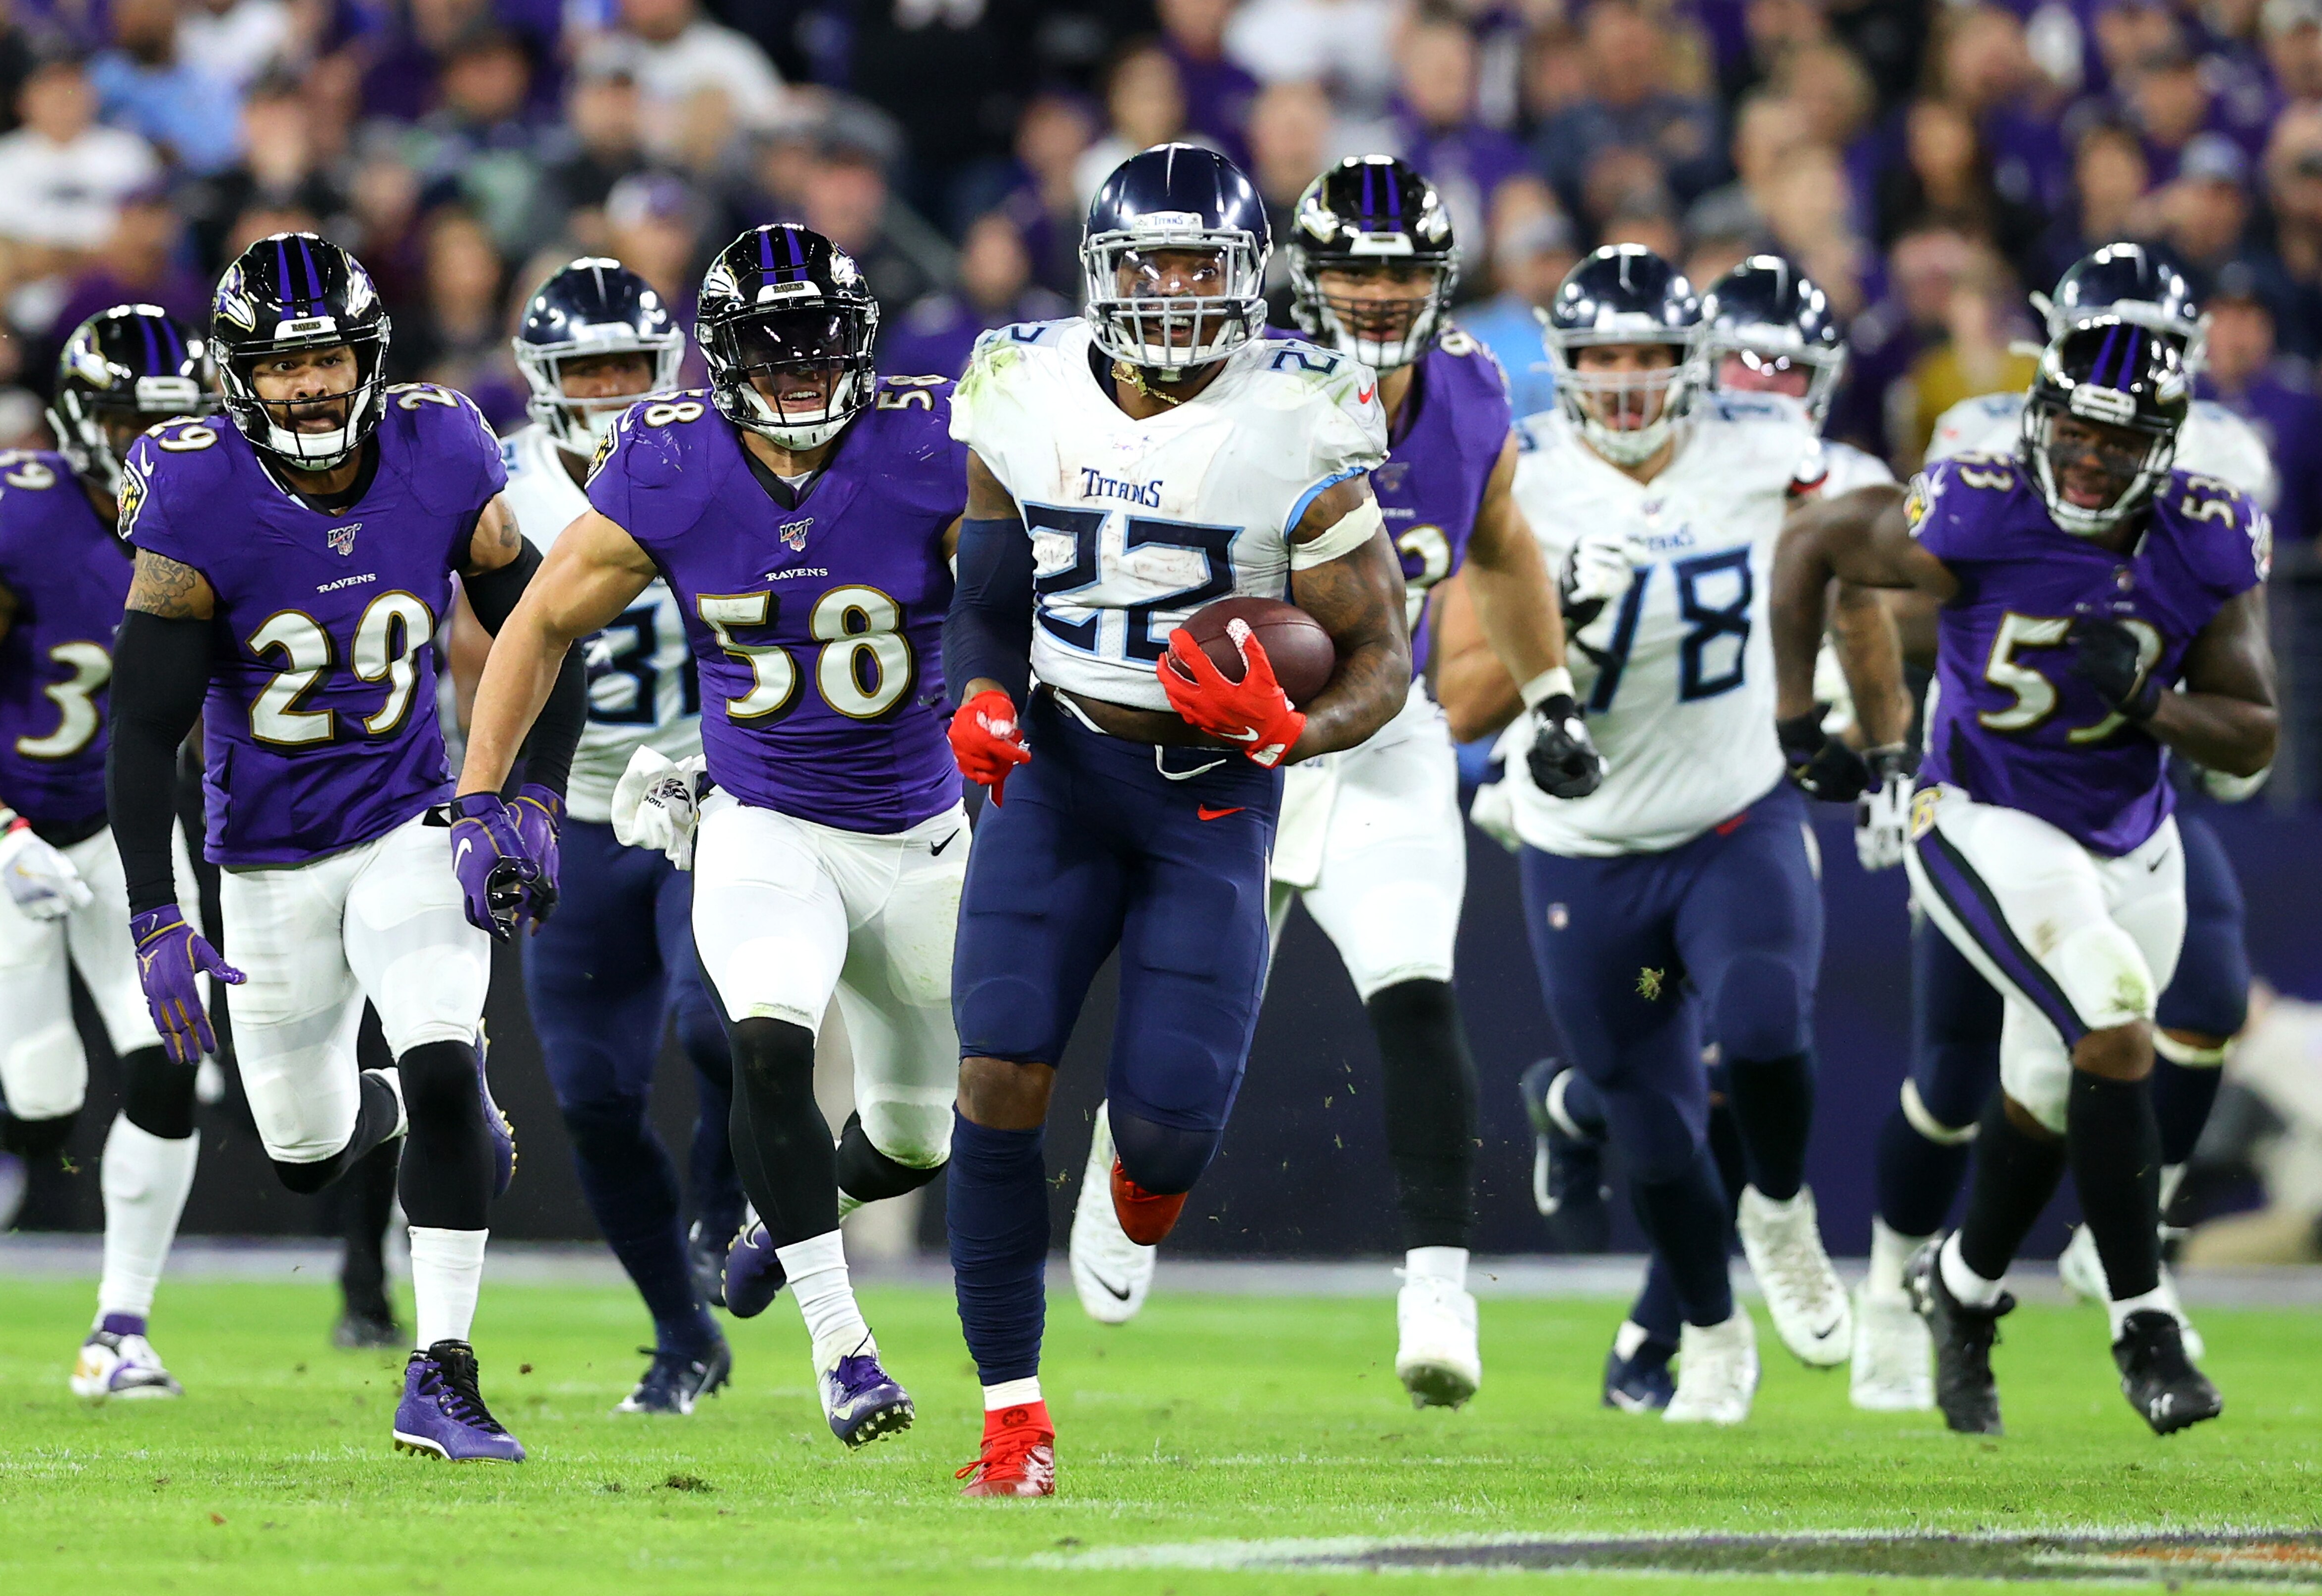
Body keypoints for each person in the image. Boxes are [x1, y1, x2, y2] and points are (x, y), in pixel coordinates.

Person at [941, 144, 1579, 1494]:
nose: (1172, 293)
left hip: (1211, 794)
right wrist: (982, 697)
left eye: (1199, 266)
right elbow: (989, 594)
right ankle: (1010, 1415)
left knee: (1167, 1123)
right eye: (1148, 265)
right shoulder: (1022, 380)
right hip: (1057, 772)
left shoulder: (1302, 408)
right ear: (1100, 275)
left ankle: (1144, 1188)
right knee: (997, 1074)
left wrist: (1301, 731)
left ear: (1247, 282)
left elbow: (1382, 657)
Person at [453, 225, 968, 1451]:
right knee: (756, 1038)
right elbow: (531, 626)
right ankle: (841, 1350)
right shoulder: (667, 460)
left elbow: (1026, 590)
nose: (796, 372)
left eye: (818, 345)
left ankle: (781, 1219)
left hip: (920, 825)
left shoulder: (935, 438)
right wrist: (484, 795)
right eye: (767, 349)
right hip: (754, 812)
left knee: (914, 1134)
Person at [103, 233, 574, 1464]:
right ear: (235, 377)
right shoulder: (195, 491)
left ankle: (445, 1369)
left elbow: (542, 633)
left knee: (439, 1052)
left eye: (323, 358)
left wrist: (524, 796)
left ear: (366, 356)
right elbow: (144, 729)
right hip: (262, 857)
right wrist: (157, 909)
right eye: (280, 364)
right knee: (302, 1150)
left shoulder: (443, 449)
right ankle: (445, 1124)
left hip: (409, 819)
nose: (308, 385)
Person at [1770, 317, 2273, 1436]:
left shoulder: (2204, 530)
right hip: (1982, 813)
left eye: (2120, 439)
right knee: (2113, 1015)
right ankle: (2143, 1318)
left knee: (2048, 1094)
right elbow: (1810, 543)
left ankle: (1959, 1288)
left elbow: (2252, 734)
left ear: (2164, 444)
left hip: (2134, 832)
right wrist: (1802, 724)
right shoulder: (1977, 499)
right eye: (2075, 431)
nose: (2090, 458)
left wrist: (2150, 702)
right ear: (2039, 418)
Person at [1437, 246, 1840, 1426]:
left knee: (1763, 1024)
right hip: (1591, 856)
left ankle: (1777, 1204)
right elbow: (1460, 698)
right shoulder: (1522, 481)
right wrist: (1558, 605)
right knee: (1656, 1121)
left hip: (1731, 824)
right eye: (1599, 356)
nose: (1621, 379)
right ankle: (1709, 1335)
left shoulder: (1765, 451)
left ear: (1691, 363)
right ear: (1560, 366)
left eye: (1646, 355)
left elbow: (1879, 568)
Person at [0, 305, 212, 1400]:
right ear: (78, 418)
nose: (146, 444)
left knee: (173, 1057)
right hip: (5, 825)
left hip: (127, 829)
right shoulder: (21, 516)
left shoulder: (219, 505)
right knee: (42, 1107)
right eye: (126, 419)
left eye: (168, 421)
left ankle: (121, 1328)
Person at [495, 255, 736, 1414]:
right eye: (581, 367)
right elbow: (471, 643)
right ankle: (680, 1329)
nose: (603, 388)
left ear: (668, 368)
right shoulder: (501, 487)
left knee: (722, 1025)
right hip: (576, 808)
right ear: (540, 379)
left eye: (624, 365)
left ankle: (720, 1214)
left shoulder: (719, 450)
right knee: (590, 1095)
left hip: (711, 791)